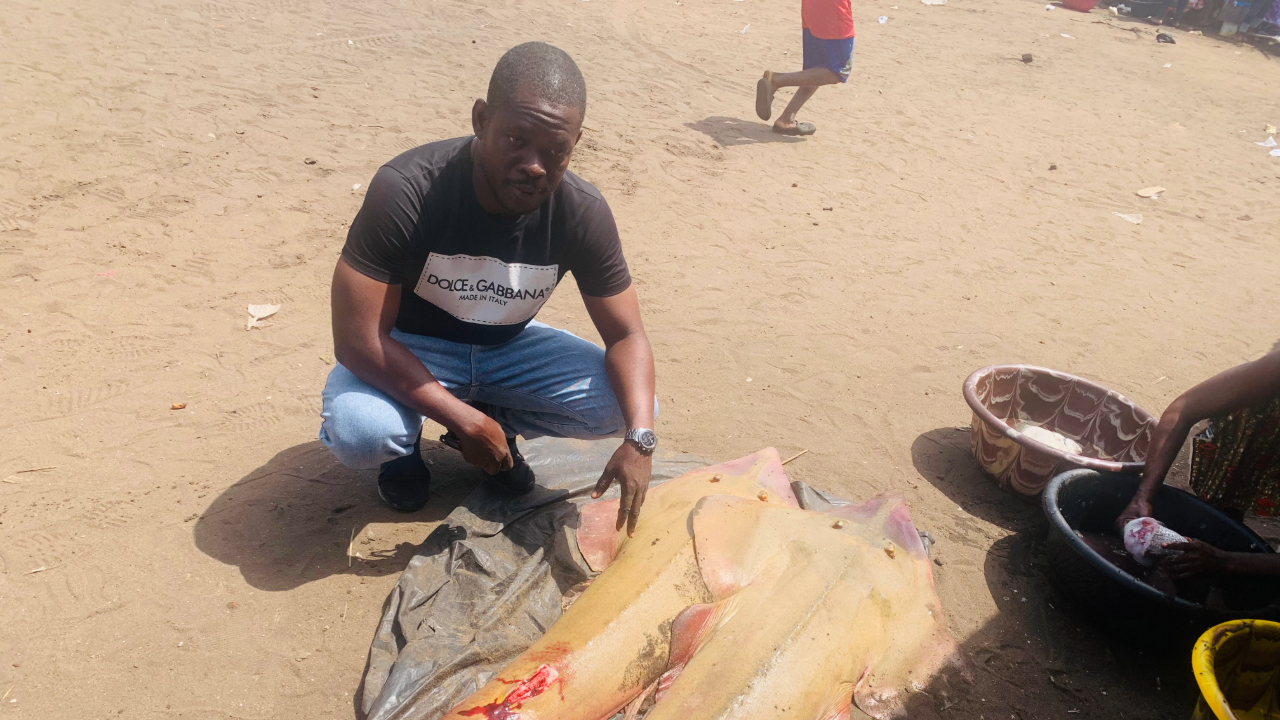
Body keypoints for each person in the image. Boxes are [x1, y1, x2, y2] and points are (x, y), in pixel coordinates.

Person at [319, 42, 659, 535]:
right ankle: (408, 448)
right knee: (363, 432)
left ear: (576, 143)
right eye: (516, 139)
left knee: (629, 405)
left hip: (507, 345)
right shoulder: (408, 190)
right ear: (481, 120)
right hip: (407, 346)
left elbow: (628, 335)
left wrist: (641, 440)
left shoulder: (581, 211)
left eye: (555, 150)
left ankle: (496, 425)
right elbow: (356, 339)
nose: (535, 165)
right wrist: (462, 419)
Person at [1117, 351, 1280, 578]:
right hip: (1265, 437)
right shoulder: (1275, 369)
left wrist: (1225, 561)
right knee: (1223, 514)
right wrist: (1142, 497)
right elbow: (1182, 410)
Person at [755, 0, 855, 136]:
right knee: (837, 72)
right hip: (834, 11)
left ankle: (786, 119)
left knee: (816, 69)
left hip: (812, 7)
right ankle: (776, 80)